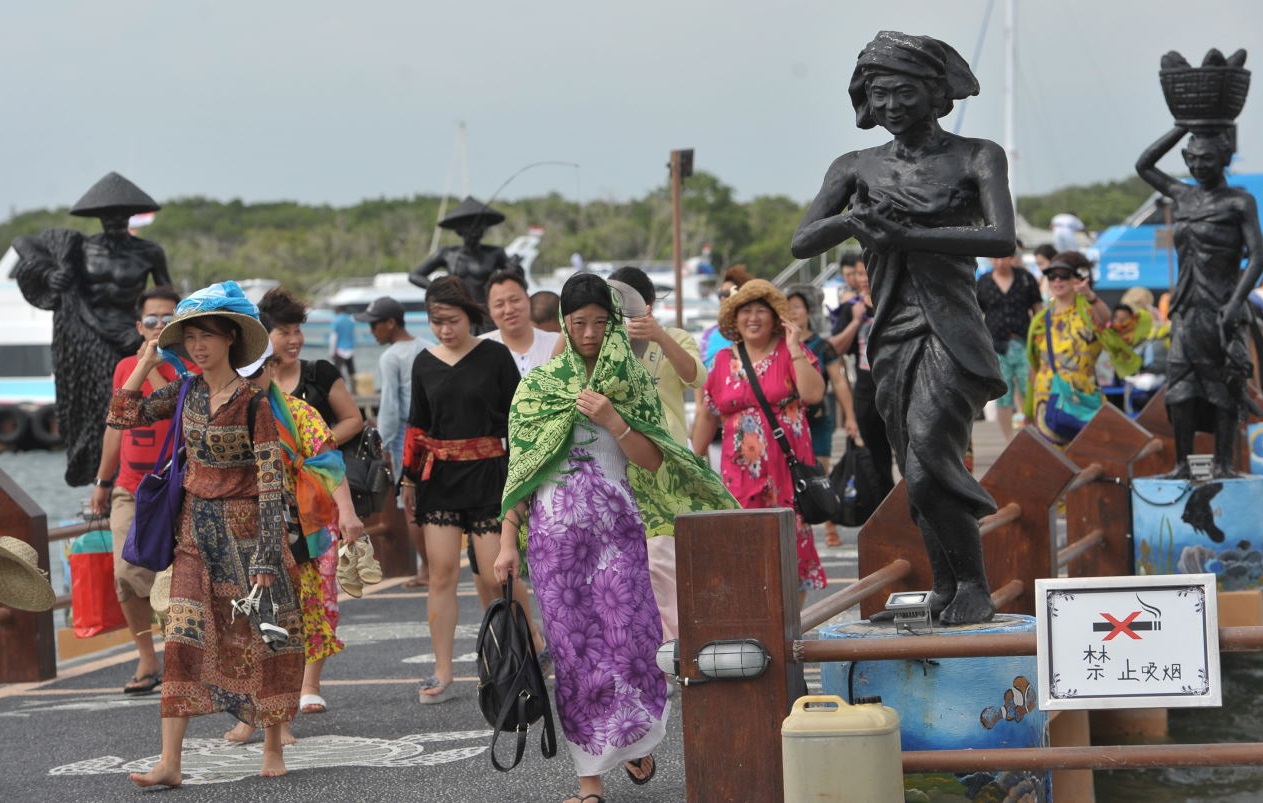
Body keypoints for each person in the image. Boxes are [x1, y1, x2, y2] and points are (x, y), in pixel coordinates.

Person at [792, 31, 1014, 625]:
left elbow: (1000, 237)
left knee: (929, 459)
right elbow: (803, 239)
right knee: (914, 463)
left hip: (952, 330)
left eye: (904, 91)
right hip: (889, 331)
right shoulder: (855, 167)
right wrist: (851, 219)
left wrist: (906, 236)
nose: (890, 104)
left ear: (937, 93)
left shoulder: (977, 155)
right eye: (879, 92)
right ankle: (947, 585)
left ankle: (974, 583)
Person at [494, 273, 736, 803]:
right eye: (578, 323)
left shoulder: (630, 382)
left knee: (633, 644)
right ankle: (589, 784)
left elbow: (651, 461)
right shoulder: (537, 387)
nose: (588, 334)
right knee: (575, 657)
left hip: (619, 534)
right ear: (563, 322)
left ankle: (634, 738)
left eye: (600, 323)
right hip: (555, 542)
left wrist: (613, 420)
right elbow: (520, 473)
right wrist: (508, 542)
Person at [108, 281, 301, 787]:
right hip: (195, 532)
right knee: (182, 637)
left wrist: (265, 558)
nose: (197, 346)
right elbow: (120, 416)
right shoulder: (185, 390)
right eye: (190, 336)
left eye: (208, 335)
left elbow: (270, 481)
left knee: (266, 636)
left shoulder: (253, 402)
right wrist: (146, 365)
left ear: (230, 341)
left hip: (249, 535)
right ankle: (171, 762)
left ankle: (274, 743)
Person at [225, 345, 366, 744]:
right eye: (243, 374)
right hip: (240, 531)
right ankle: (248, 714)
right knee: (242, 625)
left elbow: (328, 467)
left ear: (272, 367)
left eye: (256, 373)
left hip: (294, 528)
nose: (249, 383)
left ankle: (280, 717)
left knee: (288, 622)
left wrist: (349, 514)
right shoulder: (226, 414)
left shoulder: (300, 413)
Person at [399, 276, 520, 704]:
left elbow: (516, 419)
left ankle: (517, 654)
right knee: (442, 573)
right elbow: (417, 426)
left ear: (470, 316)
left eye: (451, 321)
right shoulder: (424, 362)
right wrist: (408, 479)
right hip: (441, 480)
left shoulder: (495, 355)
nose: (444, 330)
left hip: (490, 474)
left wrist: (521, 477)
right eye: (436, 322)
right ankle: (443, 671)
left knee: (494, 574)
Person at [10, 172, 172, 486]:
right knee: (95, 412)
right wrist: (48, 274)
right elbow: (23, 243)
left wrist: (151, 331)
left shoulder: (149, 252)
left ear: (129, 216)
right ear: (98, 218)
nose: (112, 220)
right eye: (106, 215)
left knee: (133, 408)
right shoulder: (79, 247)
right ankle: (102, 480)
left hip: (129, 336)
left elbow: (166, 295)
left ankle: (132, 476)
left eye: (119, 214)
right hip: (89, 338)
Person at [256, 287, 364, 714]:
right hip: (269, 508)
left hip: (320, 505)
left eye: (298, 330)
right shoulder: (251, 390)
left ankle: (309, 683)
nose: (294, 339)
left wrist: (307, 451)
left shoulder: (319, 373)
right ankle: (268, 686)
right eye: (284, 331)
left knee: (318, 591)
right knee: (272, 594)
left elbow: (353, 419)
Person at [1136, 124, 1263, 477]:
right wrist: (1182, 126)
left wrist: (1237, 303)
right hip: (1187, 306)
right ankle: (1182, 465)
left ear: (1224, 158)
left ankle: (1224, 464)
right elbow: (1144, 165)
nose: (1198, 166)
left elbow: (1258, 256)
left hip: (1222, 305)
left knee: (1223, 384)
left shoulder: (1239, 201)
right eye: (1191, 159)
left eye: (1206, 158)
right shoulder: (1182, 195)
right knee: (1180, 386)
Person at [692, 279, 828, 606]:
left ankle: (789, 633)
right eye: (746, 312)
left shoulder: (790, 352)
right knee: (743, 546)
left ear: (775, 318)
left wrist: (795, 347)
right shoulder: (723, 360)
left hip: (786, 471)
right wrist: (693, 461)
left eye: (761, 312)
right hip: (739, 474)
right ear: (735, 320)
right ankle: (755, 622)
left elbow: (813, 394)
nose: (753, 318)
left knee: (790, 549)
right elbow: (709, 414)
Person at [89, 287, 193, 695]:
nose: (159, 326)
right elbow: (118, 422)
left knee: (181, 576)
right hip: (131, 488)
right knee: (125, 573)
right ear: (138, 325)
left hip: (178, 486)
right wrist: (102, 480)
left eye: (168, 319)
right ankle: (148, 658)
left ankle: (185, 657)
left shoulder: (189, 367)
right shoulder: (124, 368)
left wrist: (154, 362)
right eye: (151, 320)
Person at [607, 266, 708, 643]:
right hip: (618, 458)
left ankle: (676, 644)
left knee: (666, 556)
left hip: (667, 459)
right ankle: (643, 642)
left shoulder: (675, 336)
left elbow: (697, 377)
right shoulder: (606, 342)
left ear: (647, 305)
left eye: (629, 304)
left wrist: (660, 336)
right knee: (629, 557)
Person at [1023, 252, 1135, 448]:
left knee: (1089, 454)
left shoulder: (1087, 311)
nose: (1057, 281)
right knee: (1054, 463)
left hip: (1081, 398)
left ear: (1077, 278)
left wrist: (1089, 295)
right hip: (1046, 399)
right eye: (1052, 276)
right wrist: (1028, 409)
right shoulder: (1041, 320)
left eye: (1064, 275)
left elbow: (1107, 321)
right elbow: (1035, 364)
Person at [356, 296, 430, 589]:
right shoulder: (427, 346)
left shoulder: (391, 357)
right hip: (433, 436)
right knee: (430, 503)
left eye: (375, 324)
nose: (372, 331)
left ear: (390, 323)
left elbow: (390, 409)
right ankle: (435, 565)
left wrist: (380, 443)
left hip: (404, 438)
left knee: (410, 504)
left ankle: (427, 568)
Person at [786, 283, 859, 548]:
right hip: (788, 421)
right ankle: (801, 525)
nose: (793, 313)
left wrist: (850, 417)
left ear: (808, 312)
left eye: (798, 308)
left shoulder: (822, 345)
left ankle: (829, 523)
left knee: (818, 472)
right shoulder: (779, 345)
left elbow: (839, 382)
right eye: (788, 308)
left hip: (818, 419)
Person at [827, 261, 894, 504]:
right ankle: (881, 511)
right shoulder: (852, 308)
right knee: (873, 460)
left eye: (868, 271)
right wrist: (855, 322)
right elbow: (834, 349)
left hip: (898, 390)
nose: (864, 278)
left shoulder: (895, 302)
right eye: (859, 273)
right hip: (867, 393)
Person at [409, 196, 514, 322]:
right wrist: (440, 289)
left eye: (478, 228)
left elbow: (515, 279)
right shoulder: (446, 253)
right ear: (459, 231)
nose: (474, 232)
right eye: (469, 228)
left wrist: (514, 268)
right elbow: (414, 275)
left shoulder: (495, 253)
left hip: (486, 314)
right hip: (458, 312)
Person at [977, 246, 1044, 440]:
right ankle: (1009, 440)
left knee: (1029, 389)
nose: (999, 262)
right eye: (995, 258)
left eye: (1003, 258)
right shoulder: (984, 282)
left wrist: (1041, 338)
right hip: (996, 345)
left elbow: (1038, 309)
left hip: (1023, 341)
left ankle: (1034, 435)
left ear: (1011, 258)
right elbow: (977, 313)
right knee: (1003, 395)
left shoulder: (1025, 279)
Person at [482, 269, 562, 377]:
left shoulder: (557, 343)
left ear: (528, 300)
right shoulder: (479, 349)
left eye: (515, 300)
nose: (509, 310)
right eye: (499, 305)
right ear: (489, 310)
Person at [698, 264, 754, 371]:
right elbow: (700, 376)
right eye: (720, 293)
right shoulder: (709, 334)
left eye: (728, 293)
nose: (723, 298)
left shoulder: (754, 331)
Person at [329, 305, 356, 386]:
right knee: (351, 371)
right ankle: (354, 390)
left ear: (339, 309)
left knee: (337, 371)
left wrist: (331, 352)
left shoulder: (337, 320)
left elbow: (334, 337)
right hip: (350, 349)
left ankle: (341, 388)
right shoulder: (351, 320)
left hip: (339, 350)